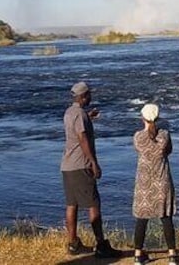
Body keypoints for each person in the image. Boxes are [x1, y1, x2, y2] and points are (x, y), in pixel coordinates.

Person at [60, 81, 121, 258]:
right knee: (93, 204)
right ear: (83, 96)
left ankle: (73, 243)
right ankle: (101, 245)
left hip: (67, 166)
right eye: (89, 95)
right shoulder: (79, 115)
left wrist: (89, 117)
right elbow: (82, 137)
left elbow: (78, 127)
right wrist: (93, 162)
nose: (91, 97)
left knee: (72, 204)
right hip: (81, 166)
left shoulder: (71, 112)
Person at [132, 103, 179, 265]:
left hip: (144, 182)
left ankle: (138, 255)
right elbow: (169, 151)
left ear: (143, 118)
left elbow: (140, 150)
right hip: (162, 180)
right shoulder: (165, 135)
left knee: (142, 218)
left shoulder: (138, 137)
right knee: (166, 217)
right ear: (158, 118)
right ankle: (172, 255)